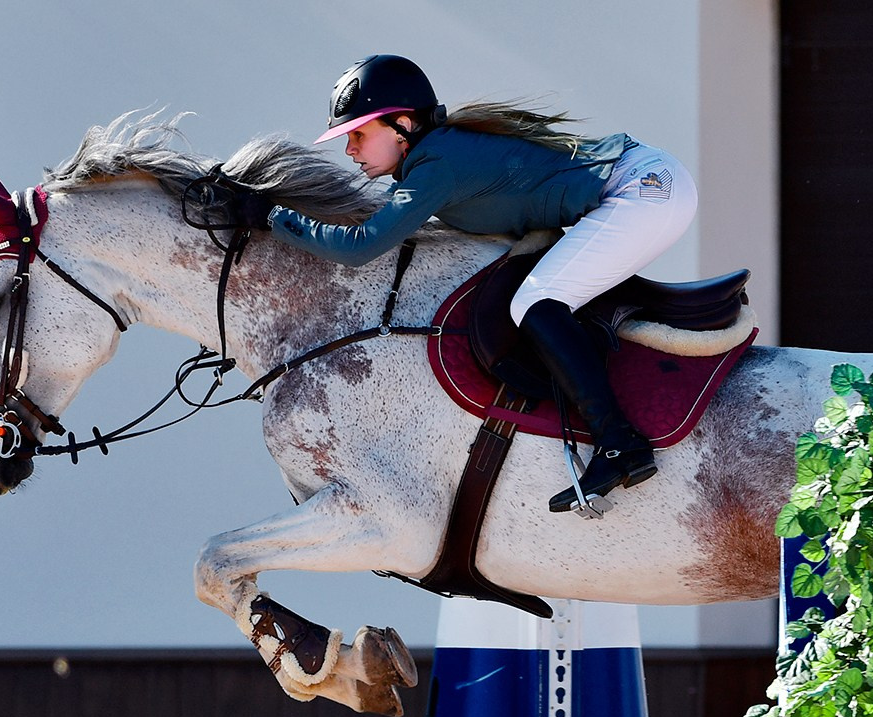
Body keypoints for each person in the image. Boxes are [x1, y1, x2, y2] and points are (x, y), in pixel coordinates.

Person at [265, 55, 696, 515]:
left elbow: (360, 247)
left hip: (645, 190)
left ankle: (619, 442)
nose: (350, 149)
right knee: (537, 296)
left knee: (536, 300)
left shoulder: (437, 164)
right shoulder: (435, 157)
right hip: (649, 184)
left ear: (403, 125)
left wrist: (274, 218)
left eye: (358, 134)